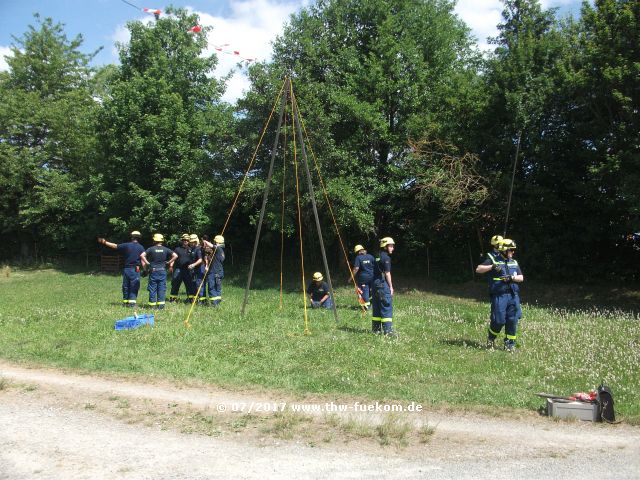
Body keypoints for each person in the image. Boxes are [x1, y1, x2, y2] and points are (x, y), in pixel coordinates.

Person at [475, 238, 524, 352]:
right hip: (499, 296)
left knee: (513, 320)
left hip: (513, 296)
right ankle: (491, 338)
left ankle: (509, 345)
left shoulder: (514, 262)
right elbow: (478, 269)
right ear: (504, 251)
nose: (513, 252)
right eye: (511, 250)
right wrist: (492, 267)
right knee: (499, 321)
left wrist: (511, 278)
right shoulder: (494, 260)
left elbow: (521, 278)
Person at [97, 230, 145, 307]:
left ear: (131, 237)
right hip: (136, 269)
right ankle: (132, 303)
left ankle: (125, 302)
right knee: (134, 285)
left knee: (126, 285)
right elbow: (143, 260)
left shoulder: (126, 245)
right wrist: (145, 269)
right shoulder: (141, 247)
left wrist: (104, 242)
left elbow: (115, 246)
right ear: (139, 238)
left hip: (126, 269)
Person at [140, 234, 177, 309]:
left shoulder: (151, 249)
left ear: (154, 240)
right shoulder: (166, 249)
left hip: (153, 271)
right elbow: (175, 255)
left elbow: (142, 255)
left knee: (152, 288)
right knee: (161, 288)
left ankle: (152, 305)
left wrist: (147, 263)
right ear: (161, 241)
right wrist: (169, 262)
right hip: (162, 271)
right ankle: (161, 305)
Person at [372, 237, 397, 337]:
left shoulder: (377, 256)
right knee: (386, 305)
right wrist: (391, 287)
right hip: (382, 284)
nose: (392, 248)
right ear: (385, 246)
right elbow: (387, 273)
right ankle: (388, 331)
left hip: (375, 283)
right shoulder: (386, 258)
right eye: (391, 246)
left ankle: (376, 330)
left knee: (377, 306)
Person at [203, 235, 226, 306]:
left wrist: (205, 241)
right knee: (217, 288)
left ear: (216, 242)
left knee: (211, 288)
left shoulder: (218, 249)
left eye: (214, 242)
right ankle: (217, 303)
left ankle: (214, 304)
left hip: (214, 272)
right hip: (219, 271)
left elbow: (211, 245)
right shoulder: (221, 251)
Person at [169, 234, 192, 302]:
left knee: (189, 284)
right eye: (184, 240)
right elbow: (173, 258)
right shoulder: (177, 249)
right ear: (182, 241)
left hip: (188, 270)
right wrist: (171, 266)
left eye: (187, 240)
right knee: (175, 284)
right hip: (178, 269)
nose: (185, 241)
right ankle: (173, 299)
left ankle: (190, 298)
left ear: (189, 241)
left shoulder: (191, 249)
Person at [351, 244, 375, 310]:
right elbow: (375, 265)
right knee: (373, 291)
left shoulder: (358, 258)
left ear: (357, 252)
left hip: (363, 279)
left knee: (364, 292)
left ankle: (367, 307)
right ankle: (373, 305)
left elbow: (356, 268)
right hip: (372, 277)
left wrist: (351, 277)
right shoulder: (370, 256)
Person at [186, 234, 204, 303]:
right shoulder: (192, 249)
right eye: (190, 242)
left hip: (199, 268)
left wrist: (193, 265)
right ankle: (195, 299)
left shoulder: (198, 249)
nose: (190, 243)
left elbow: (200, 260)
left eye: (192, 242)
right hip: (194, 269)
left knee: (199, 284)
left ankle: (201, 301)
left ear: (196, 241)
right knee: (193, 284)